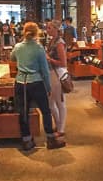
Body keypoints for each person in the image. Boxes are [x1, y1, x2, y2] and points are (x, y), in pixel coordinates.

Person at [12, 22, 62, 151]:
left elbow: (12, 58)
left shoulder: (18, 47)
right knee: (45, 110)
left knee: (23, 112)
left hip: (21, 82)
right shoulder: (39, 48)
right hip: (36, 82)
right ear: (36, 33)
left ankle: (27, 140)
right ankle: (50, 139)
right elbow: (45, 70)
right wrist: (48, 87)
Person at [45, 20, 69, 138]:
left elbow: (63, 63)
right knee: (51, 102)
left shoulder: (59, 43)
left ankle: (61, 128)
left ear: (55, 29)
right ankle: (59, 125)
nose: (47, 30)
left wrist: (49, 59)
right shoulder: (52, 41)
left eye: (49, 28)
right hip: (52, 73)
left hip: (58, 74)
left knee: (60, 102)